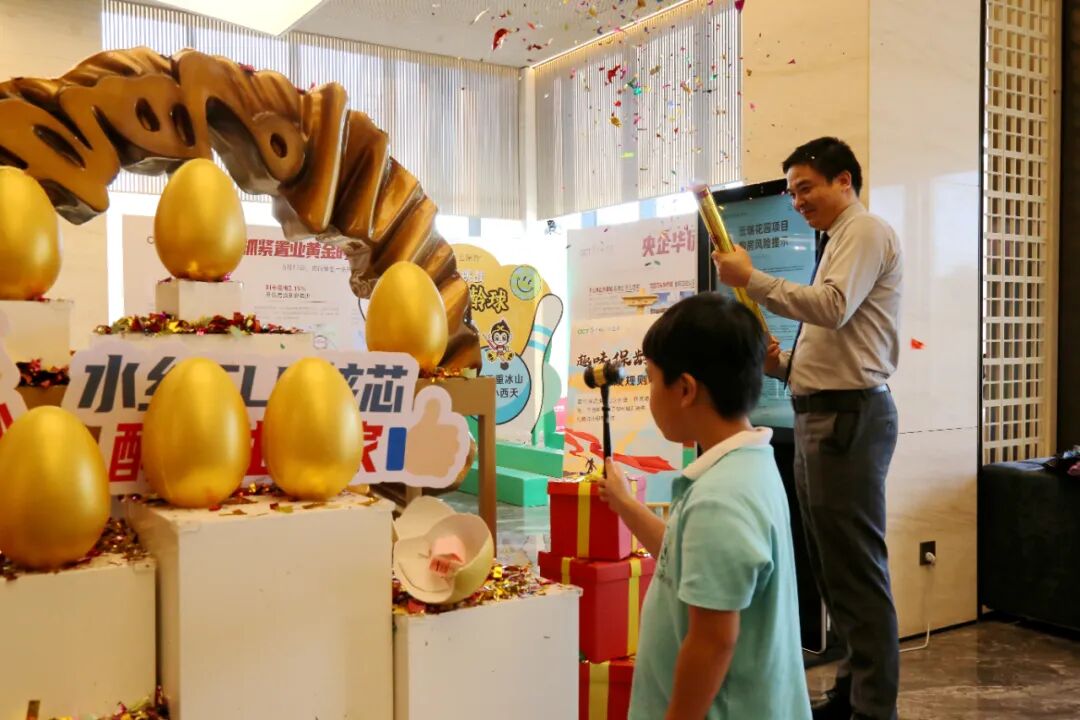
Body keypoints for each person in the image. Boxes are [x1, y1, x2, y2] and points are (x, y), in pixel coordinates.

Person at [712, 136, 903, 720]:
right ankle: (850, 695)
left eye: (806, 188)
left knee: (855, 571)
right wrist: (785, 366)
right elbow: (839, 337)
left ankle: (873, 709)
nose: (797, 201)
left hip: (848, 417)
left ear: (844, 181)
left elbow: (832, 306)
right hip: (823, 412)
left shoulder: (863, 230)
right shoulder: (839, 237)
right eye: (793, 192)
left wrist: (752, 277)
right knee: (833, 567)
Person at [598, 293, 811, 720]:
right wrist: (624, 504)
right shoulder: (746, 465)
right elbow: (683, 559)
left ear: (685, 389)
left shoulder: (720, 499)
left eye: (652, 379)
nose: (650, 395)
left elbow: (714, 642)